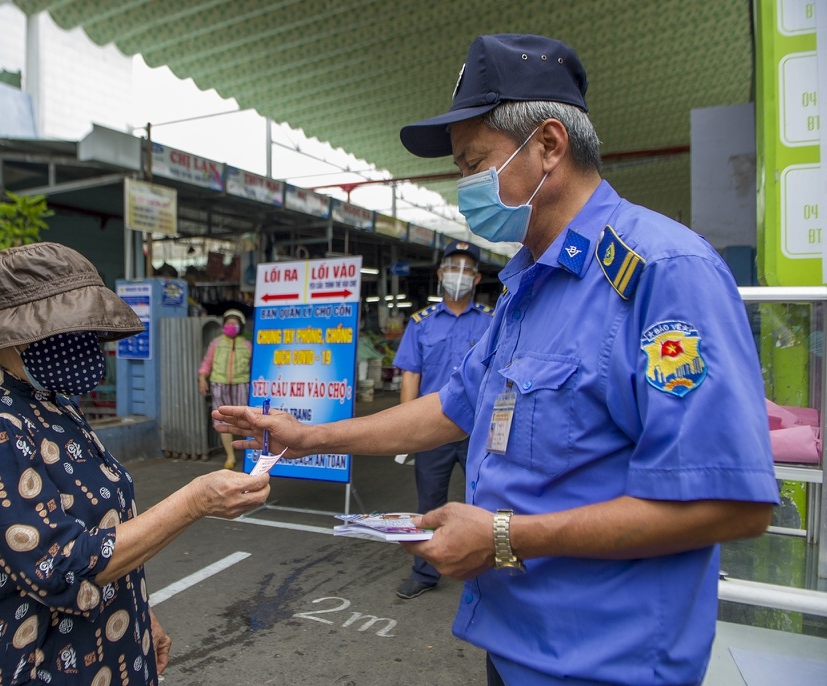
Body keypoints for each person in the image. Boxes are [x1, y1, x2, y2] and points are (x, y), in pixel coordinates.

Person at [214, 33, 779, 686]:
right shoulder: (525, 284)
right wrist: (309, 436)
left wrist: (507, 537)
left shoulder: (663, 273)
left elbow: (731, 502)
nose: (464, 187)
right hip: (514, 647)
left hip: (609, 663)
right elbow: (453, 406)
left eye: (472, 164)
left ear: (547, 145)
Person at [0, 243, 270, 685]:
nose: (86, 344)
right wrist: (195, 500)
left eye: (89, 330)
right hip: (47, 668)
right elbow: (59, 570)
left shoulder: (54, 404)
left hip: (112, 648)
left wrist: (138, 612)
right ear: (19, 335)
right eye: (71, 330)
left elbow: (98, 531)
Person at [392, 240, 491, 600]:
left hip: (478, 429)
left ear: (477, 277)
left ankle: (488, 572)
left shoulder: (492, 322)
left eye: (466, 269)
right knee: (429, 504)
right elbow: (410, 377)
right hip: (433, 430)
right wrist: (406, 432)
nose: (458, 275)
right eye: (452, 267)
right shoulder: (421, 324)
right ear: (440, 274)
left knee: (486, 498)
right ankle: (425, 572)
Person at [198, 309, 252, 469]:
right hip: (219, 385)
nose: (231, 326)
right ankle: (230, 456)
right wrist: (202, 378)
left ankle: (248, 454)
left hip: (241, 384)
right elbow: (207, 362)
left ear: (240, 326)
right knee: (223, 419)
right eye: (228, 323)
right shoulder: (217, 343)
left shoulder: (247, 345)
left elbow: (253, 366)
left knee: (246, 419)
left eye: (234, 324)